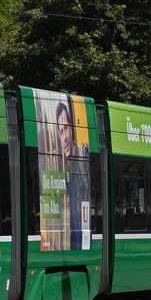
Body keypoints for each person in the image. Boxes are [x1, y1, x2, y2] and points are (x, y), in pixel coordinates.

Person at [56, 100, 91, 251]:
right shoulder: (60, 168)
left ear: (72, 129)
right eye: (61, 132)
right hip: (70, 243)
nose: (64, 137)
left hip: (85, 238)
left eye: (66, 128)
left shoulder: (85, 157)